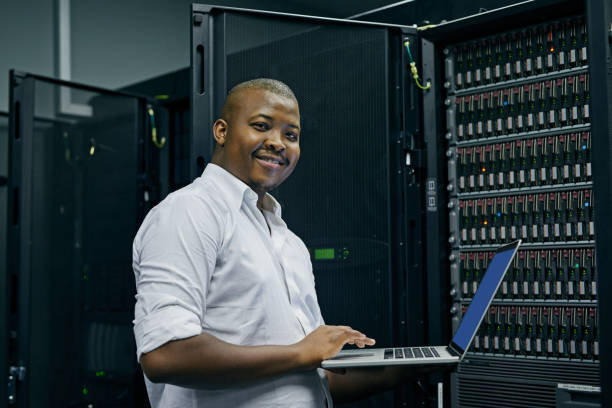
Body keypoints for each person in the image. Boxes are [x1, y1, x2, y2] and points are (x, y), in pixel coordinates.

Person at [132, 78, 412, 408]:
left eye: (290, 135)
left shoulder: (288, 242)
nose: (278, 143)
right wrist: (302, 353)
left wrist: (406, 371)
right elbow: (165, 354)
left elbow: (307, 380)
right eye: (261, 126)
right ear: (221, 132)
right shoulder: (189, 213)